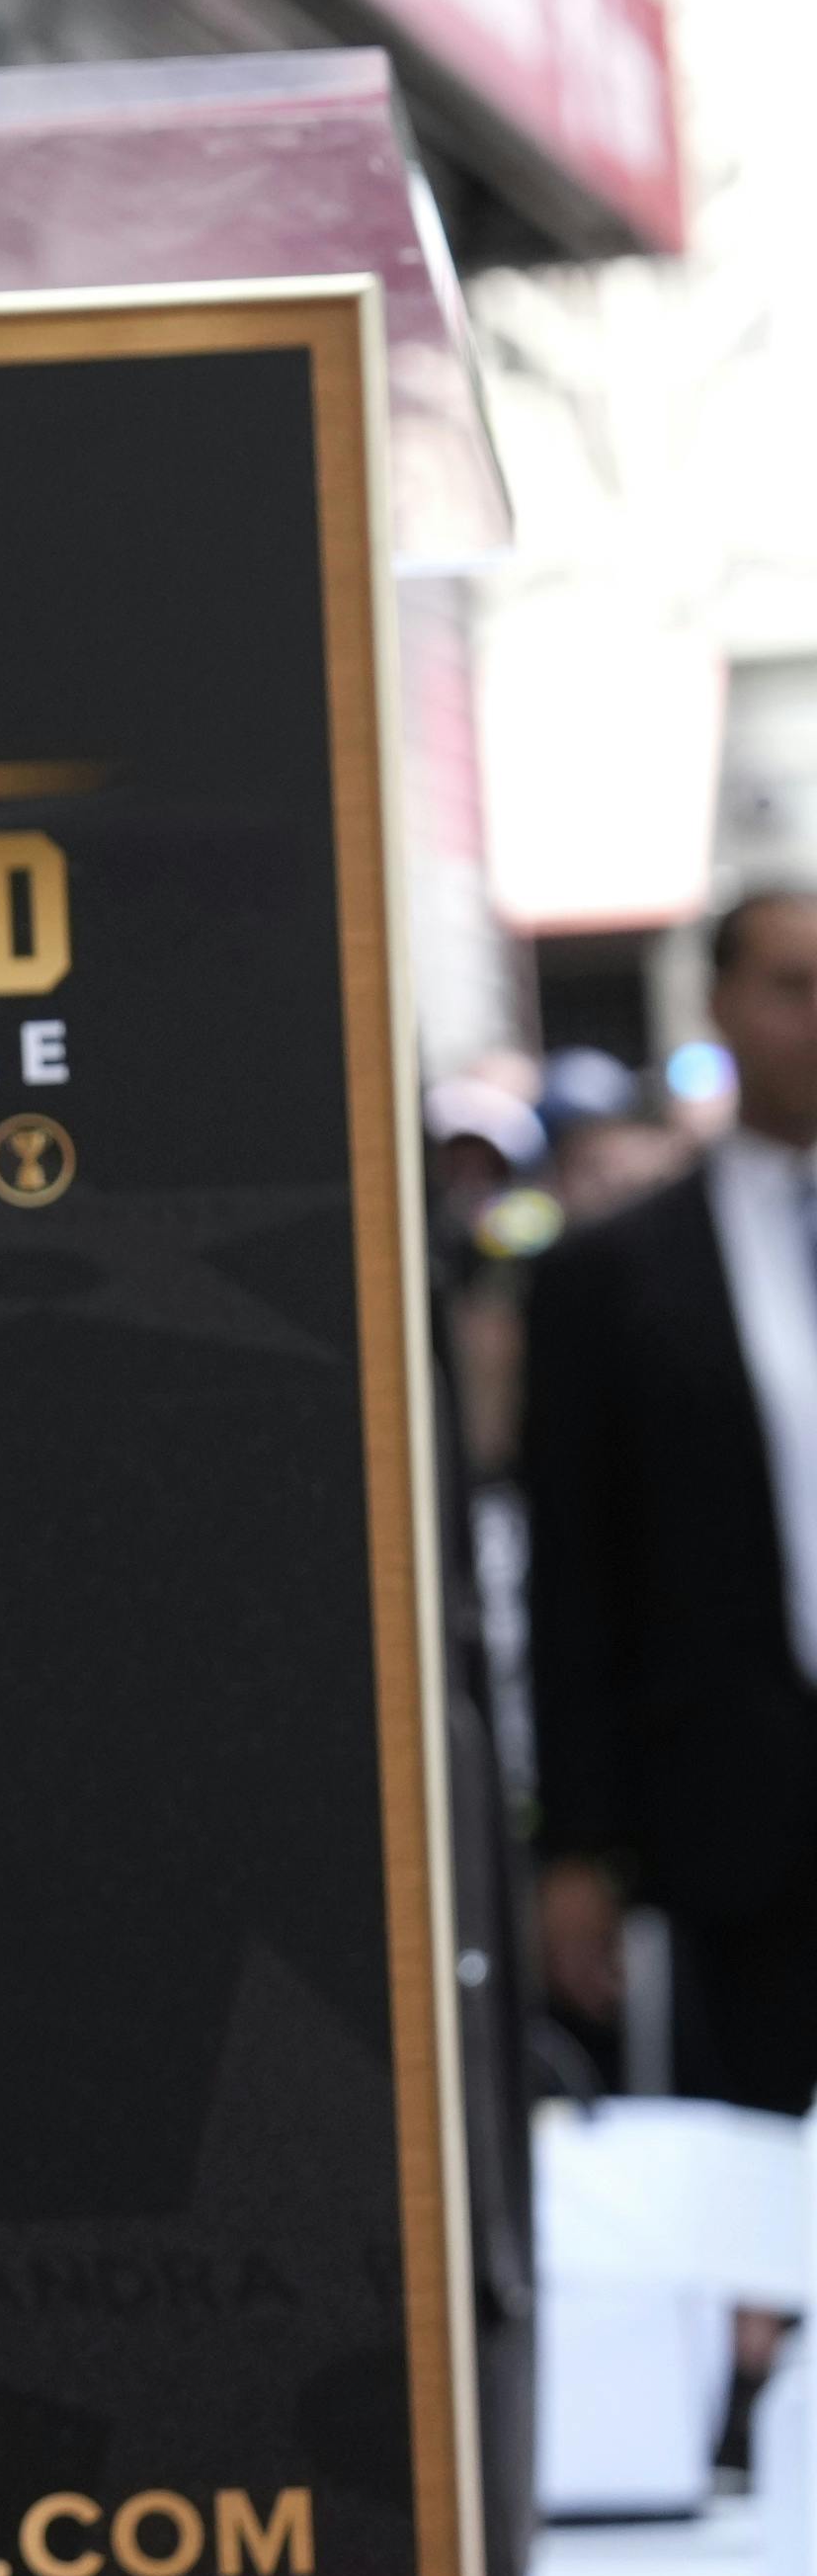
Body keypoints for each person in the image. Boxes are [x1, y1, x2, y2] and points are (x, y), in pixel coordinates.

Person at [527, 891, 817, 2370]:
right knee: (747, 2128)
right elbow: (572, 1576)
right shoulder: (608, 1272)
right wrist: (577, 1843)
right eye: (791, 987)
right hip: (736, 1778)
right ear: (720, 1005)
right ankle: (752, 2395)